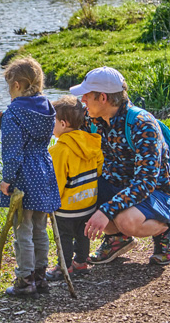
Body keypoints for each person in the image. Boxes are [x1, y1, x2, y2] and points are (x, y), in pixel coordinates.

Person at [0, 57, 61, 296]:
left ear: (17, 85)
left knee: (22, 230)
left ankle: (25, 281)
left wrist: (6, 180)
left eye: (9, 86)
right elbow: (25, 121)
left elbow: (13, 153)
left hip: (23, 177)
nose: (8, 91)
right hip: (44, 171)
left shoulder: (14, 113)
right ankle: (41, 277)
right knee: (40, 228)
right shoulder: (47, 106)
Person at [69, 66, 170, 265]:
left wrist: (106, 211)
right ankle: (117, 239)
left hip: (158, 194)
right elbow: (59, 121)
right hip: (117, 187)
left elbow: (145, 183)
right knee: (78, 195)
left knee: (126, 221)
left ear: (103, 98)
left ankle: (165, 230)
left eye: (86, 95)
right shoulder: (92, 119)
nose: (82, 100)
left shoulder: (142, 124)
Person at [45, 95, 103, 281]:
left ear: (62, 123)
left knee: (64, 237)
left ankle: (65, 266)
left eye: (52, 121)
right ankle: (81, 262)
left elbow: (57, 182)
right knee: (83, 234)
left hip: (67, 207)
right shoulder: (92, 143)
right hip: (88, 202)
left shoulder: (58, 150)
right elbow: (99, 168)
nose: (50, 126)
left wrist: (50, 204)